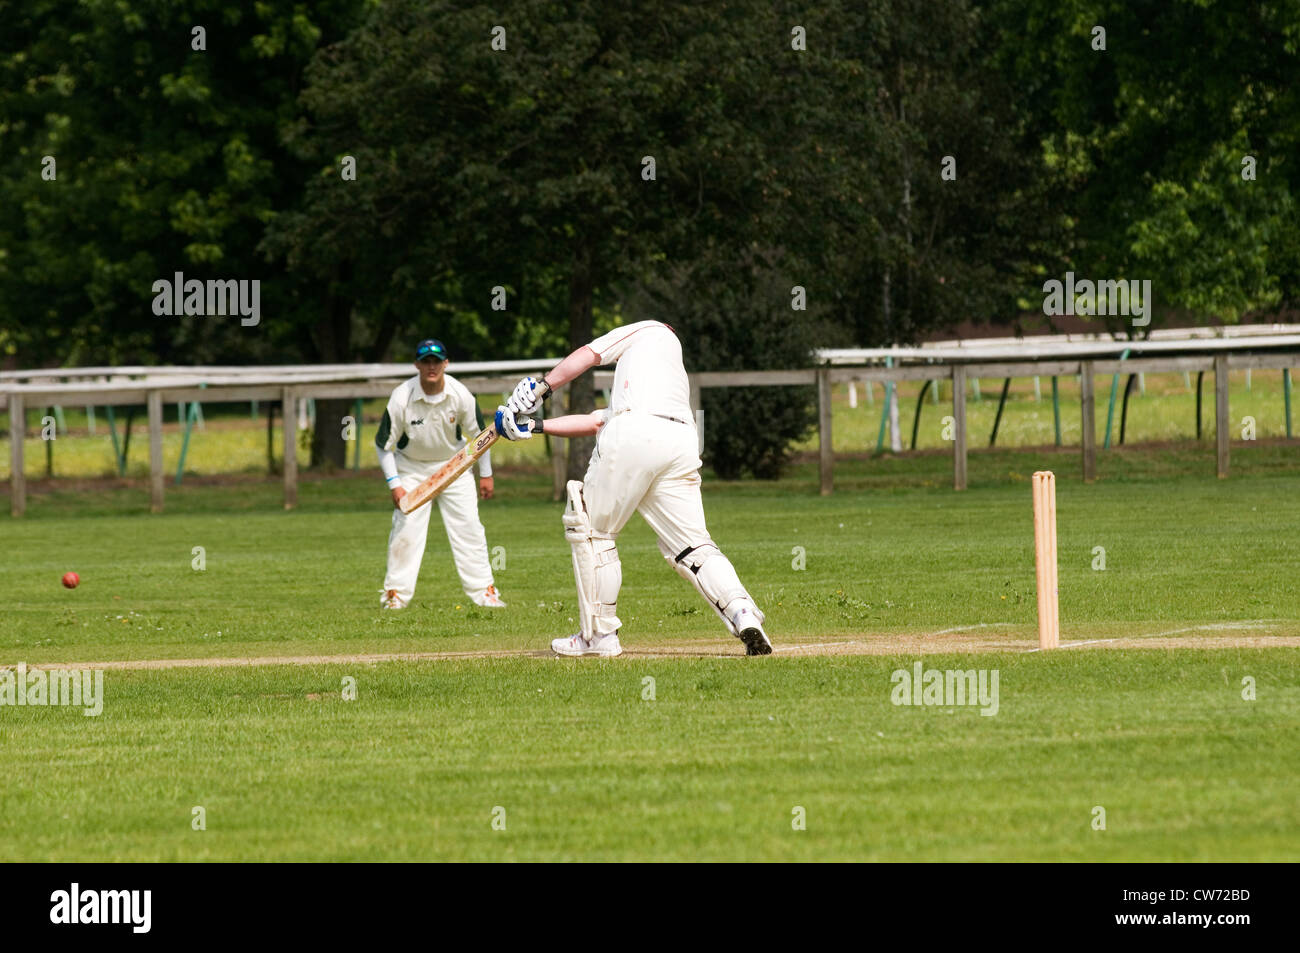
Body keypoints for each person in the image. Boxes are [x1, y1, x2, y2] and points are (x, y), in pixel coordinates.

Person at [496, 319, 769, 657]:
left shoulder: (648, 329)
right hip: (681, 441)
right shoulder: (660, 380)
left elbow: (589, 354)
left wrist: (540, 387)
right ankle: (742, 611)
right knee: (693, 546)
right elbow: (598, 422)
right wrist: (534, 426)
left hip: (633, 433)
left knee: (593, 532)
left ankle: (599, 636)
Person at [375, 338, 505, 610]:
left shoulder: (460, 394)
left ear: (446, 363)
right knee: (406, 531)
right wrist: (394, 485)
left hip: (454, 467)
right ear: (417, 365)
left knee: (469, 527)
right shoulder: (402, 397)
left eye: (436, 361)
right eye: (425, 361)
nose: (431, 366)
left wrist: (486, 474)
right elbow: (383, 445)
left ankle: (486, 592)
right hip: (411, 468)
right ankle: (395, 595)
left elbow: (482, 436)